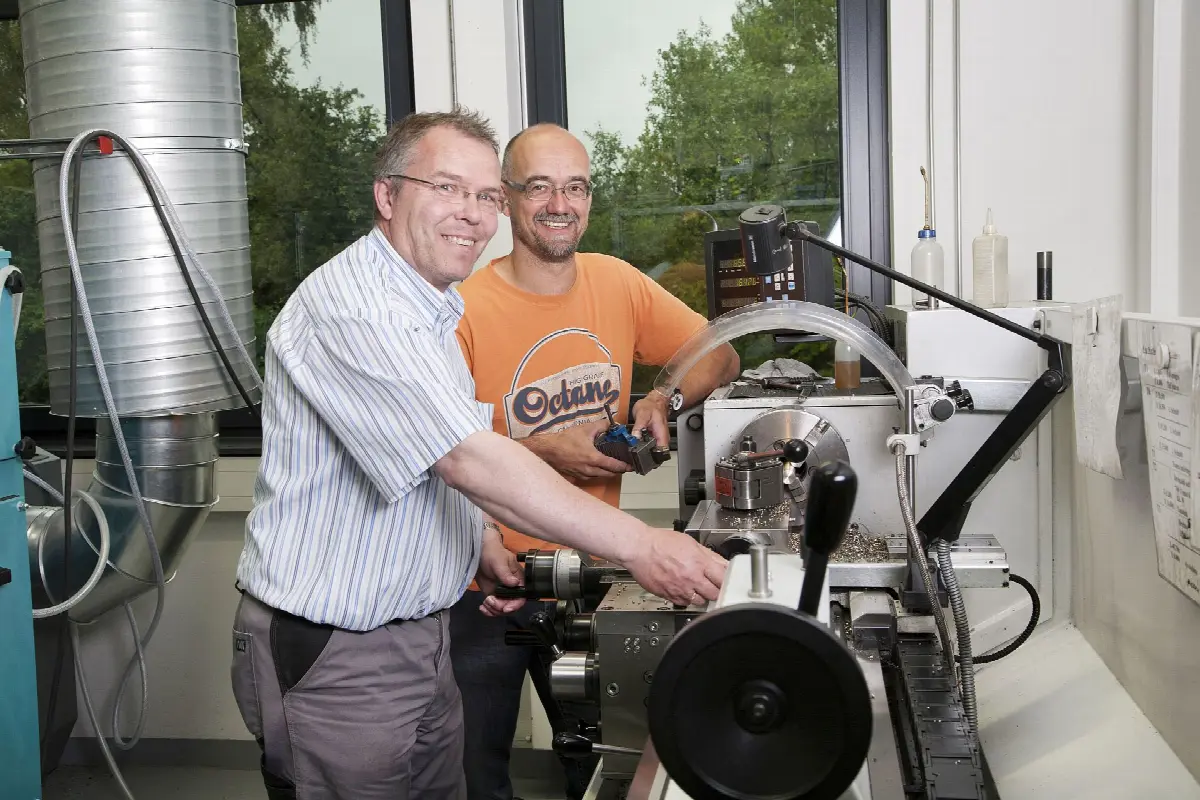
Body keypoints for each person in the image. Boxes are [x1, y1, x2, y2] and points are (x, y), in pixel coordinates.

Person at [228, 109, 728, 800]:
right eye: (446, 187)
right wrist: (644, 549)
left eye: (484, 195)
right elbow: (467, 458)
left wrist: (480, 541)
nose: (471, 214)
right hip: (343, 652)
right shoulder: (357, 308)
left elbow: (433, 462)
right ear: (387, 195)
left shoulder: (432, 307)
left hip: (419, 636)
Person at [450, 123, 741, 800]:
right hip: (477, 587)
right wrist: (543, 448)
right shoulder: (459, 308)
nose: (560, 203)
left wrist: (661, 396)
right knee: (471, 772)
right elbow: (437, 456)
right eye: (540, 186)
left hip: (590, 575)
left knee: (604, 764)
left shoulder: (617, 283)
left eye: (575, 186)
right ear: (506, 199)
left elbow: (723, 353)